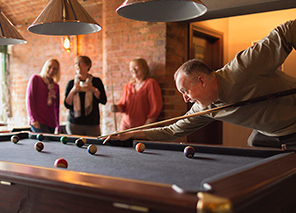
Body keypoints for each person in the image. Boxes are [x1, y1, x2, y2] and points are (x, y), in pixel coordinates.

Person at [108, 20, 296, 149]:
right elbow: (172, 130)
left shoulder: (243, 68)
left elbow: (288, 31)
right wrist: (134, 134)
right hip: (267, 133)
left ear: (202, 80)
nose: (185, 98)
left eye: (185, 91)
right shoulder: (205, 108)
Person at [111, 58, 163, 131]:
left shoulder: (151, 83)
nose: (133, 69)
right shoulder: (128, 86)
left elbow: (156, 106)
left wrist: (148, 124)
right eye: (131, 67)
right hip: (126, 125)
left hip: (143, 126)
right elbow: (123, 105)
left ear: (144, 68)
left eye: (135, 66)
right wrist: (116, 108)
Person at [64, 55, 107, 136]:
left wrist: (93, 89)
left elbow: (103, 100)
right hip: (74, 124)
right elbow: (67, 104)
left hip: (92, 124)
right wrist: (73, 90)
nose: (78, 65)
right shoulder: (71, 83)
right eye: (76, 63)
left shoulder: (96, 81)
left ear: (88, 65)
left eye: (80, 62)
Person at [26, 58, 61, 134]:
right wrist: (33, 119)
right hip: (38, 121)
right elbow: (30, 100)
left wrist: (58, 125)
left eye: (55, 69)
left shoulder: (56, 86)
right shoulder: (36, 79)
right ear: (45, 67)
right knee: (44, 143)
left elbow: (56, 107)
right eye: (49, 67)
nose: (51, 70)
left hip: (51, 123)